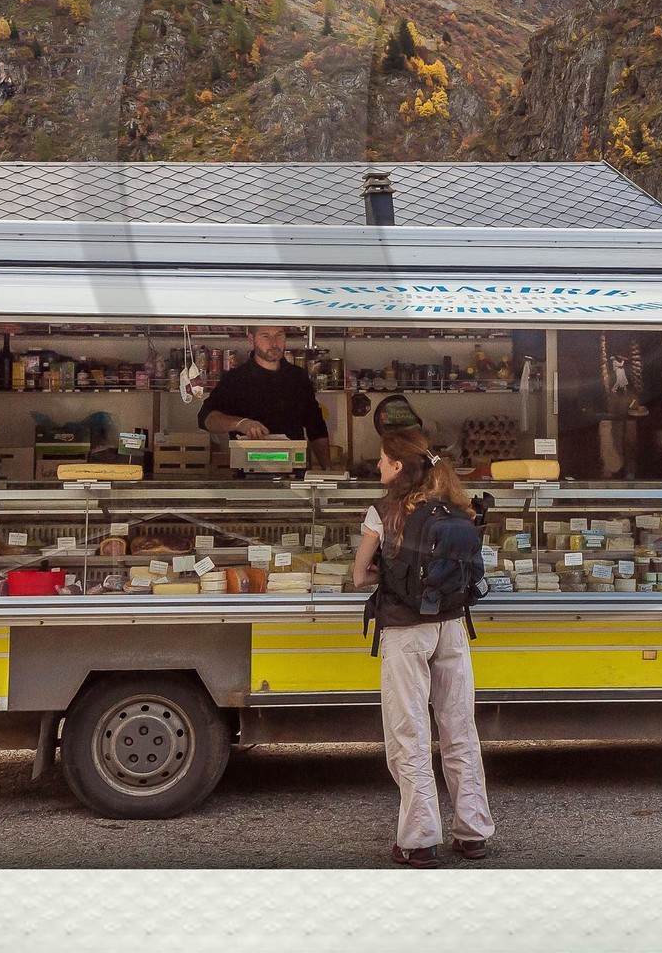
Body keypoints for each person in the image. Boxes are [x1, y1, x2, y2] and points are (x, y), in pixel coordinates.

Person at [352, 428, 495, 867]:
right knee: (459, 729)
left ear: (397, 466)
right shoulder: (457, 506)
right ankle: (473, 833)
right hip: (451, 625)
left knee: (410, 732)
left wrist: (390, 575)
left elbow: (360, 576)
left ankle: (419, 840)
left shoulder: (383, 512)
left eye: (381, 460)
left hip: (405, 631)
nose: (377, 466)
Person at [196, 326, 331, 469]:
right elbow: (205, 418)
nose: (274, 343)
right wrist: (240, 423)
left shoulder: (298, 377)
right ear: (251, 339)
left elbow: (316, 427)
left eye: (279, 335)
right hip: (249, 475)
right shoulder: (235, 379)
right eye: (265, 336)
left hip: (294, 474)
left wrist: (327, 469)